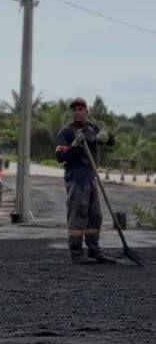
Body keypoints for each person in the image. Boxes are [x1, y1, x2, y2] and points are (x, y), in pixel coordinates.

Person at [55, 97, 117, 264]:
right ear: (71, 113)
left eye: (81, 109)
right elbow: (60, 156)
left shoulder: (91, 128)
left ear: (86, 112)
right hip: (76, 178)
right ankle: (76, 253)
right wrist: (76, 144)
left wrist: (106, 134)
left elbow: (111, 142)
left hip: (91, 176)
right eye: (75, 110)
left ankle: (94, 251)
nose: (78, 112)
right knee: (78, 215)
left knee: (95, 216)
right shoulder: (66, 131)